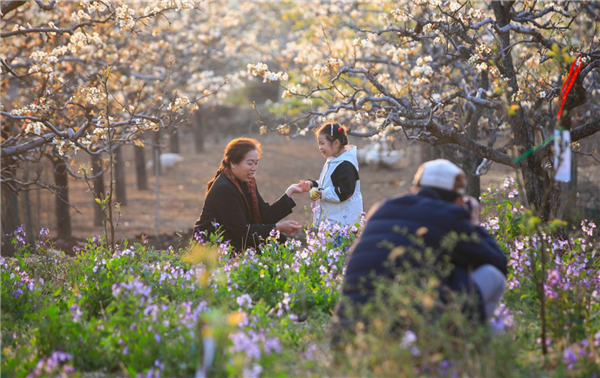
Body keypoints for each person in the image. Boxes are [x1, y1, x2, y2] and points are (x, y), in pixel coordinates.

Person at [332, 159, 508, 333]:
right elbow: (497, 261)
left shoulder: (382, 208)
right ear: (459, 200)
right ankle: (468, 344)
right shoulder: (450, 214)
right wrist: (474, 222)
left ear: (415, 190)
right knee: (492, 275)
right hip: (406, 334)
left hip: (347, 330)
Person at [194, 138, 311, 252]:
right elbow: (242, 230)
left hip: (235, 238)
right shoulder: (224, 188)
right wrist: (277, 227)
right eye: (250, 163)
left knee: (280, 241)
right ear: (233, 163)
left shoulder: (248, 182)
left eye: (256, 163)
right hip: (214, 247)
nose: (254, 168)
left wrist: (290, 192)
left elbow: (264, 215)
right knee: (277, 243)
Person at [308, 122, 363, 229]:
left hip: (343, 225)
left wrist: (322, 194)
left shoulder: (345, 165)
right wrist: (313, 184)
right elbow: (329, 183)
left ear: (336, 143)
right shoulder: (333, 160)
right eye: (319, 144)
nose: (320, 147)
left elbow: (344, 192)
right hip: (333, 222)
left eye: (322, 143)